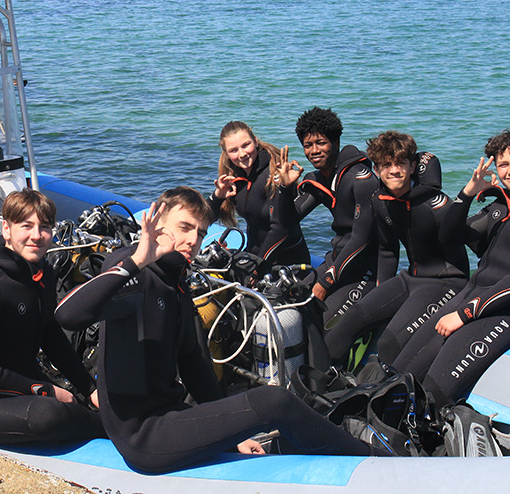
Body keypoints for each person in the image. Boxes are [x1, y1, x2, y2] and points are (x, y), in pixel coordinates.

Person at [55, 187, 369, 474]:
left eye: (201, 232)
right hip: (143, 437)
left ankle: (344, 463)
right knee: (275, 402)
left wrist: (233, 435)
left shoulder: (175, 285)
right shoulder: (134, 273)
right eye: (184, 227)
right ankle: (372, 463)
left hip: (171, 416)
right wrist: (137, 258)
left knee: (266, 410)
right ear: (158, 222)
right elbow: (67, 315)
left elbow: (195, 367)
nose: (194, 239)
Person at [392, 126, 510, 407]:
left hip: (506, 313)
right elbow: (449, 236)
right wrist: (467, 192)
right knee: (401, 370)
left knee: (434, 391)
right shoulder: (501, 208)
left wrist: (464, 314)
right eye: (503, 164)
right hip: (470, 299)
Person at [0, 188, 104, 444]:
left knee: (88, 397)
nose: (37, 236)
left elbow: (51, 336)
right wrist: (49, 392)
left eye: (45, 227)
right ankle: (106, 427)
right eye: (27, 226)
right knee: (49, 416)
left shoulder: (43, 273)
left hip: (26, 385)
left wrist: (89, 389)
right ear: (7, 229)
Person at [323, 131, 470, 368]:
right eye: (386, 165)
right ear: (377, 170)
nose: (394, 170)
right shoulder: (380, 201)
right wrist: (381, 292)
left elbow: (477, 245)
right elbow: (387, 249)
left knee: (390, 342)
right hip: (409, 278)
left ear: (412, 167)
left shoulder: (437, 205)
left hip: (446, 282)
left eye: (400, 163)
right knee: (351, 320)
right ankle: (324, 381)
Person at [291, 107, 380, 324]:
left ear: (336, 142)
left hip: (365, 267)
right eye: (307, 145)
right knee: (292, 305)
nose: (314, 151)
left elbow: (361, 241)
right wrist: (285, 188)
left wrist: (326, 283)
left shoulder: (361, 179)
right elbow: (286, 220)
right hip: (338, 260)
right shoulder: (322, 179)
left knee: (326, 329)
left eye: (321, 143)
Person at [209, 121, 311, 272]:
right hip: (254, 255)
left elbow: (281, 228)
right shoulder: (235, 176)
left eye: (246, 145)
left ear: (255, 141)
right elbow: (205, 219)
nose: (242, 154)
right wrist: (217, 197)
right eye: (233, 150)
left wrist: (258, 268)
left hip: (287, 262)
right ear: (226, 153)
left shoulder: (275, 174)